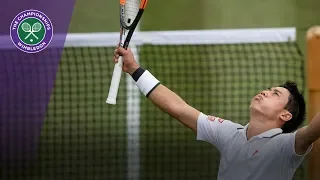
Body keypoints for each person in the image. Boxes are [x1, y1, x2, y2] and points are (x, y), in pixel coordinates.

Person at [113, 46, 320, 180]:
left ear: (285, 115)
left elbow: (314, 128)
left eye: (275, 93)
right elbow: (179, 108)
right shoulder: (230, 133)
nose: (265, 91)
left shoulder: (286, 146)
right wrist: (134, 68)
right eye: (269, 89)